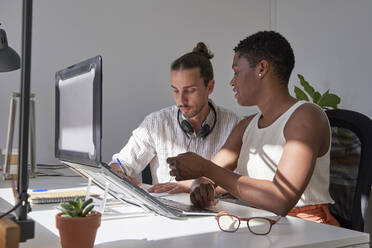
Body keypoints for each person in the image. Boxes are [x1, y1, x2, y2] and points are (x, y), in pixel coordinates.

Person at [168, 31, 339, 226]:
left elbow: (280, 199)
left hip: (306, 229)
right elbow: (207, 177)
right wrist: (202, 185)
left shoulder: (306, 116)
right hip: (261, 224)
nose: (232, 81)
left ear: (262, 69)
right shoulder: (246, 125)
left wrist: (206, 170)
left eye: (236, 72)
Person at [110, 42, 240, 194]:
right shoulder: (155, 123)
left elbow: (239, 179)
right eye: (176, 91)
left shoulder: (234, 125)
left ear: (210, 87)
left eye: (190, 91)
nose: (181, 101)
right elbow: (120, 161)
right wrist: (118, 172)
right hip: (166, 211)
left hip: (218, 211)